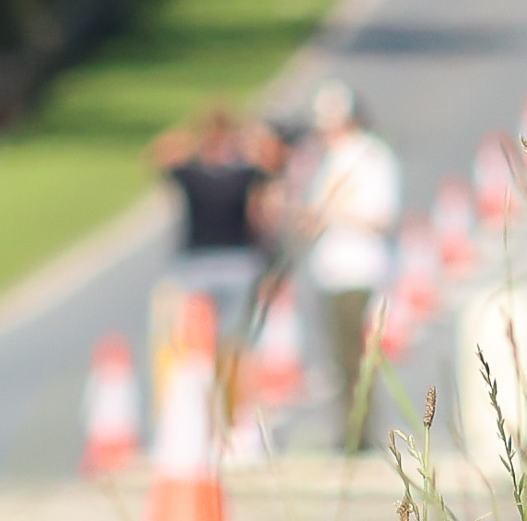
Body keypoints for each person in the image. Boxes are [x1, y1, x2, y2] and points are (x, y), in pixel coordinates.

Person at [296, 81, 401, 449]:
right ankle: (349, 428)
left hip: (362, 268)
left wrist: (337, 213)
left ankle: (361, 431)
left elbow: (381, 216)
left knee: (358, 357)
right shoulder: (326, 162)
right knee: (339, 359)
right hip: (331, 269)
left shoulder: (371, 157)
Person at [149, 104, 275, 374]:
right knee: (204, 342)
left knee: (235, 342)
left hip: (231, 262)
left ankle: (230, 395)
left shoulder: (241, 172)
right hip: (204, 263)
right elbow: (159, 155)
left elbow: (273, 161)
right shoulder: (193, 173)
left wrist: (239, 140)